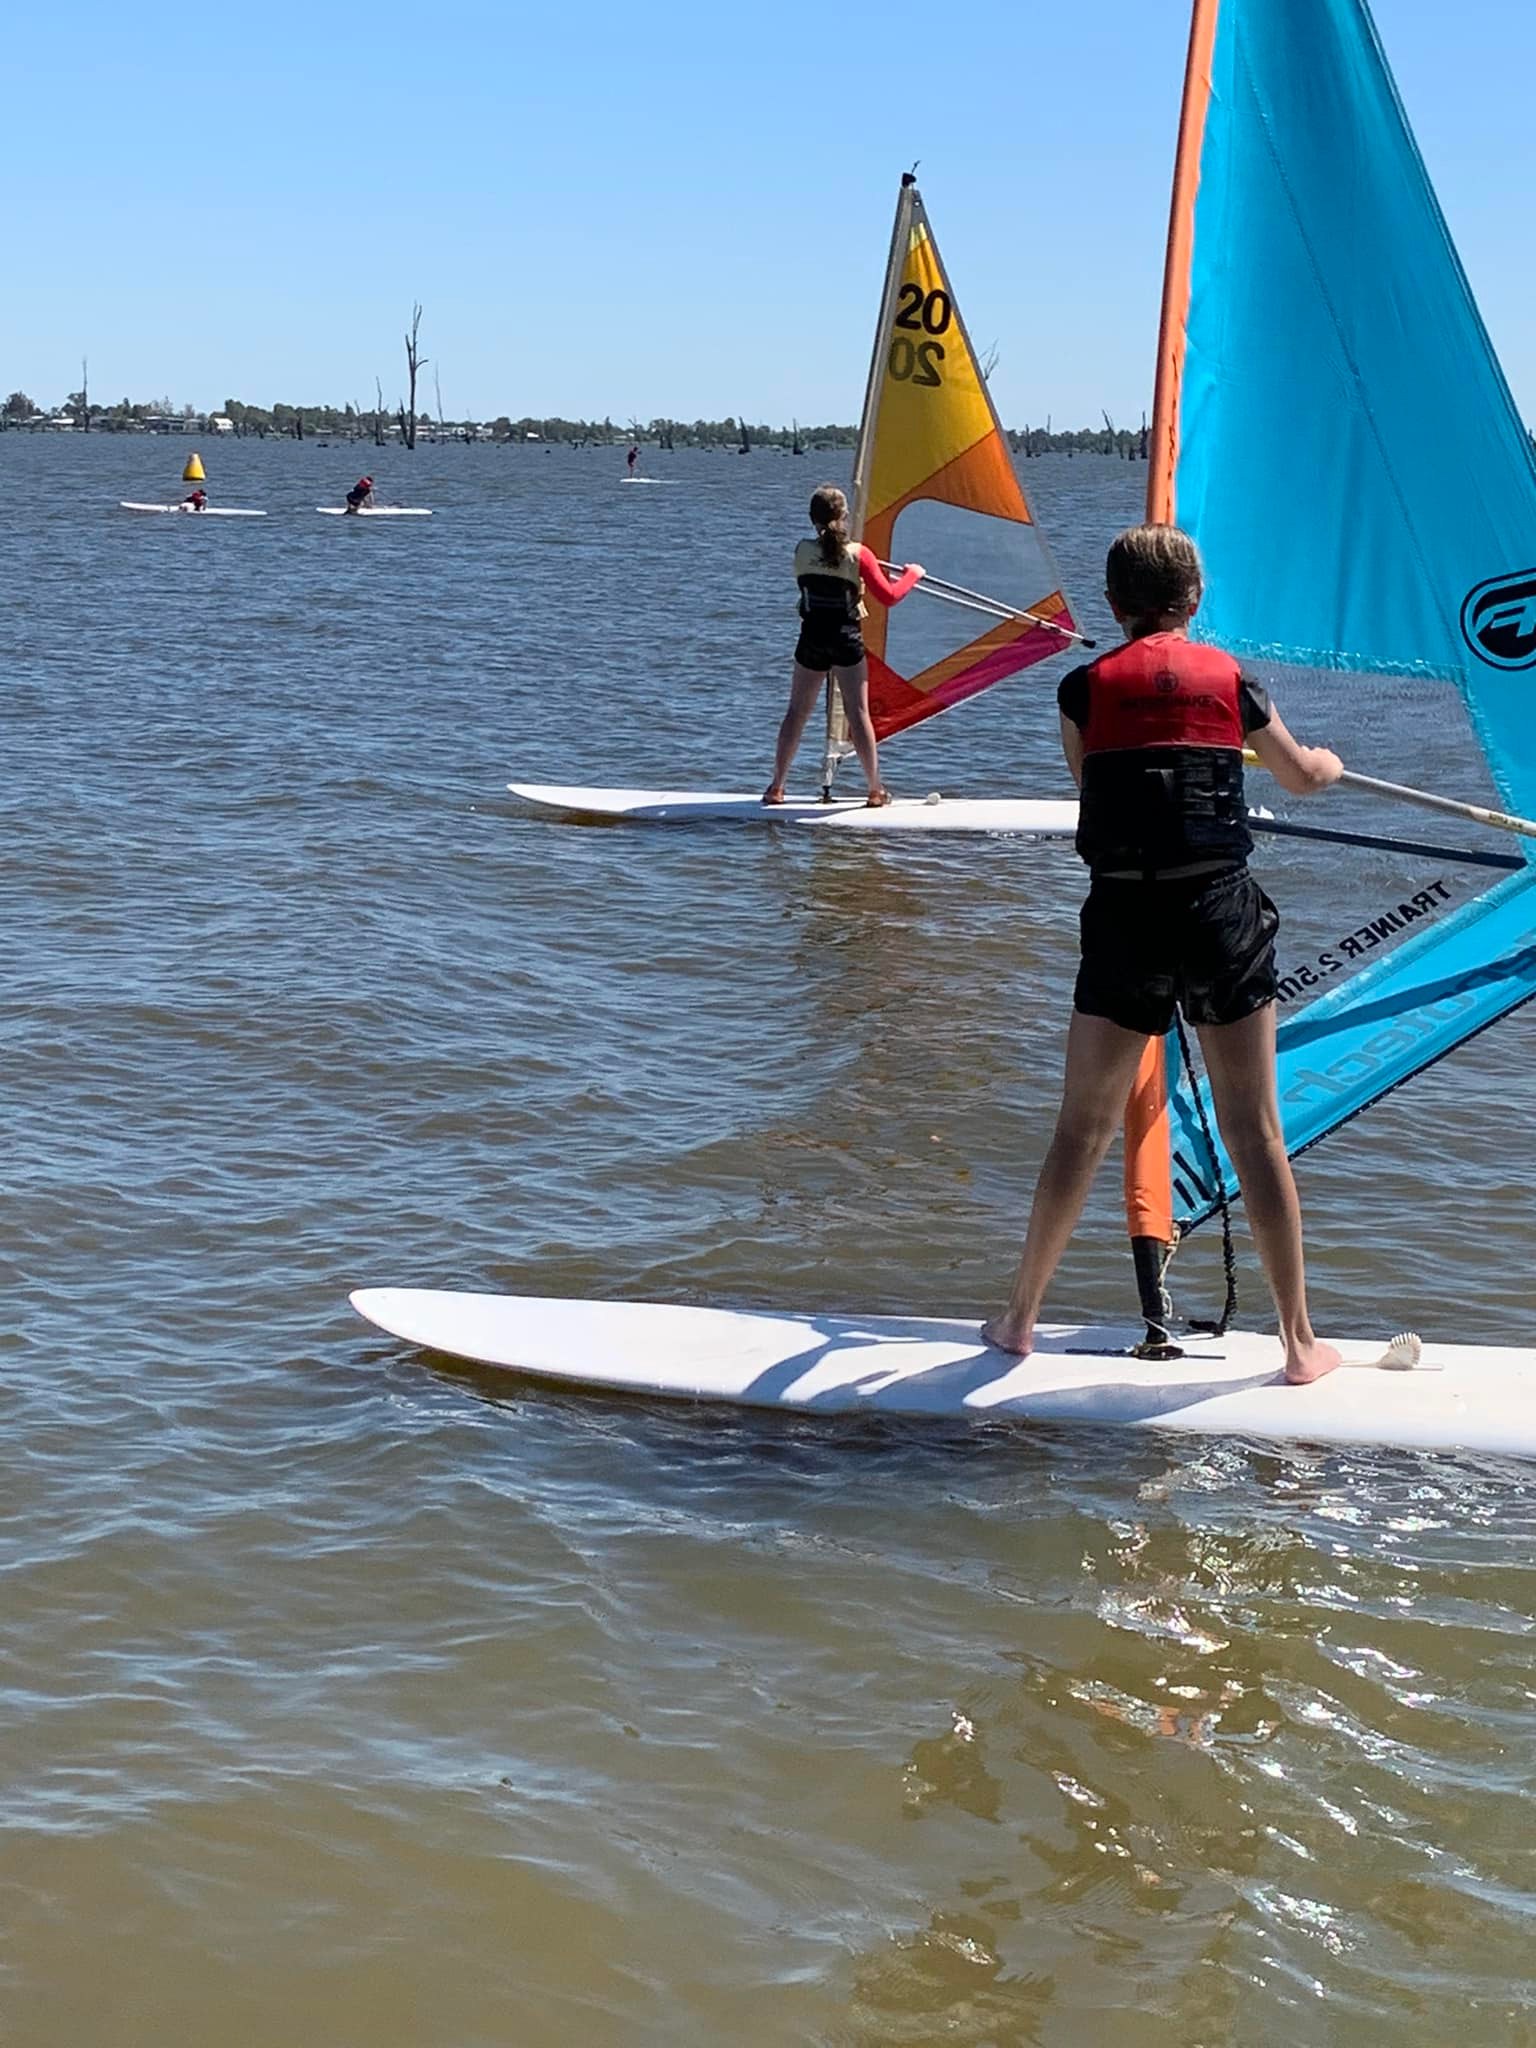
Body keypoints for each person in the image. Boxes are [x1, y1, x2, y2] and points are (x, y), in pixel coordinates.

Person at [981, 523, 1344, 1385]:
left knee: (1083, 1127)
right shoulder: (1237, 684)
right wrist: (1326, 766)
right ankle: (1299, 1344)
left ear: (1114, 606)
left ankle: (1021, 1318)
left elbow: (1090, 783)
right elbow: (1298, 777)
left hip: (1125, 918)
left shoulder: (1081, 690)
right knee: (1255, 1130)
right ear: (1195, 601)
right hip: (1219, 914)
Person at [763, 484, 922, 807]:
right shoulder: (859, 554)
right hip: (845, 640)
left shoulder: (801, 550)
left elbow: (821, 566)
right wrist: (911, 576)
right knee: (858, 713)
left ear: (812, 518)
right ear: (845, 516)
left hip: (811, 639)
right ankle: (875, 790)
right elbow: (889, 597)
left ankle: (776, 787)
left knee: (796, 712)